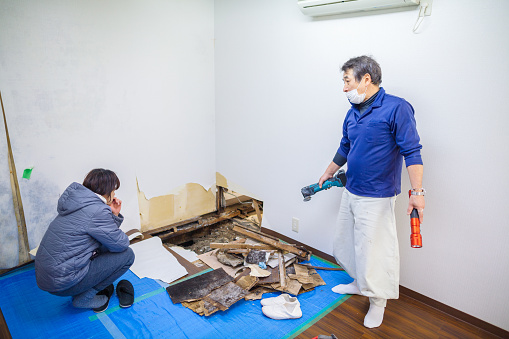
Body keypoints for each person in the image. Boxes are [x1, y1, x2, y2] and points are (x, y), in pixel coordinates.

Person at [318, 56, 425, 328]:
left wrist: (418, 192)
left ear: (366, 79)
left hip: (377, 196)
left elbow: (412, 152)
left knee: (375, 251)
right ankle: (358, 282)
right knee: (347, 243)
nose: (344, 87)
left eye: (347, 80)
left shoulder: (396, 108)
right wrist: (329, 171)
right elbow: (345, 146)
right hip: (351, 190)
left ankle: (378, 303)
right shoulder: (353, 111)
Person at [35, 169, 135, 313]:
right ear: (107, 191)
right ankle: (84, 297)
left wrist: (113, 215)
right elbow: (121, 244)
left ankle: (84, 287)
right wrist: (115, 215)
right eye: (113, 190)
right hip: (63, 284)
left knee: (105, 246)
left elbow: (106, 236)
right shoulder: (97, 211)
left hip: (47, 278)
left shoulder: (77, 204)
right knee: (127, 255)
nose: (114, 195)